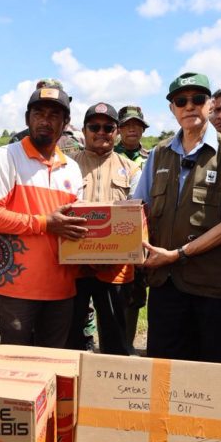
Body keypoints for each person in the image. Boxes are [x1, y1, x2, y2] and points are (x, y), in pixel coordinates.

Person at [137, 72, 221, 364]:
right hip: (165, 286)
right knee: (164, 371)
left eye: (198, 99)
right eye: (181, 101)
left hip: (214, 289)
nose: (189, 106)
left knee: (213, 375)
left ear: (209, 104)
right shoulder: (158, 153)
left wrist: (178, 254)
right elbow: (138, 209)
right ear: (172, 109)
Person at [0, 85, 86, 347]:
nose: (45, 121)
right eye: (39, 114)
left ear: (65, 123)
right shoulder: (7, 156)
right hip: (16, 288)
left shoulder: (72, 168)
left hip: (61, 288)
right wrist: (45, 223)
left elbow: (76, 228)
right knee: (16, 363)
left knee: (53, 361)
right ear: (28, 119)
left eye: (54, 115)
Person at [66, 102, 141, 355]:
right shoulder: (67, 165)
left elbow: (138, 217)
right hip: (73, 267)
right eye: (94, 127)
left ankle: (112, 380)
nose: (101, 132)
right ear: (84, 130)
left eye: (108, 127)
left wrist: (110, 254)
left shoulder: (132, 169)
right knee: (70, 337)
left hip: (116, 268)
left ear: (116, 132)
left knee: (115, 337)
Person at [115, 105, 151, 353]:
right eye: (127, 125)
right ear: (118, 129)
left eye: (136, 125)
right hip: (114, 237)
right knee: (112, 295)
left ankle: (127, 346)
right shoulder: (109, 155)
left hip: (144, 236)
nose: (132, 129)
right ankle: (112, 347)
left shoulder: (153, 157)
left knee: (136, 295)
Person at [9, 79, 84, 154]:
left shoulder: (79, 137)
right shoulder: (18, 140)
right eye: (39, 112)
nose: (45, 122)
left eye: (54, 113)